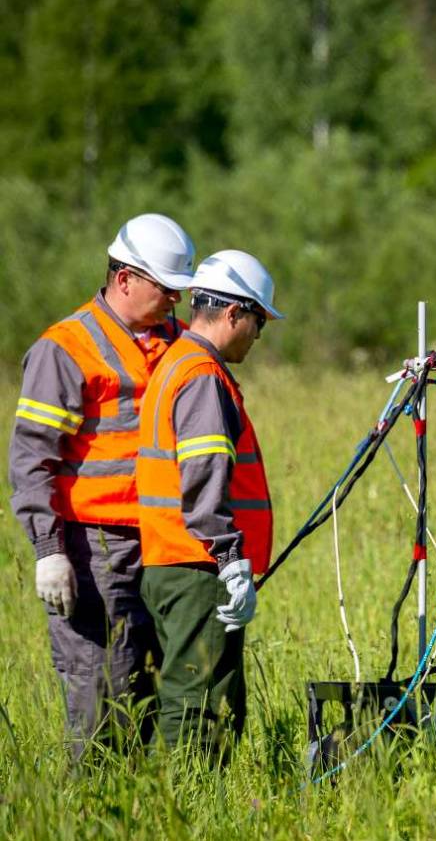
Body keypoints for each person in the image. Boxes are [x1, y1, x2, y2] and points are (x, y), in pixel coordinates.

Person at [9, 213, 196, 760]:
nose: (175, 303)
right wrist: (48, 550)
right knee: (102, 700)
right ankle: (92, 813)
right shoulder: (64, 348)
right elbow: (30, 458)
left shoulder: (177, 342)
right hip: (95, 553)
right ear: (125, 279)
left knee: (158, 693)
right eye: (166, 289)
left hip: (165, 545)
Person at [135, 249, 281, 760]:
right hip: (195, 566)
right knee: (199, 703)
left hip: (170, 558)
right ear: (234, 312)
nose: (258, 336)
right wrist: (229, 559)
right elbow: (202, 483)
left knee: (187, 692)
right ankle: (181, 808)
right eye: (259, 321)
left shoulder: (176, 361)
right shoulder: (200, 375)